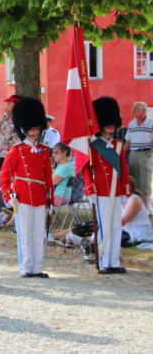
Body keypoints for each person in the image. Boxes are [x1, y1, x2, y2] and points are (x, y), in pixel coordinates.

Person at [0, 97, 53, 278]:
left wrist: (50, 200)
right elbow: (5, 175)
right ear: (24, 129)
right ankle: (25, 266)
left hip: (39, 196)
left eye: (37, 128)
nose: (35, 132)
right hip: (22, 195)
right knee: (25, 233)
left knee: (38, 233)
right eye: (32, 129)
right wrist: (8, 195)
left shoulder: (45, 151)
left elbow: (47, 178)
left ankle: (36, 266)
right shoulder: (17, 150)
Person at [82, 96, 131, 275]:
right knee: (104, 225)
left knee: (116, 225)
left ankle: (114, 260)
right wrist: (90, 187)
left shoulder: (118, 144)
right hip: (101, 191)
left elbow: (123, 170)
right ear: (101, 125)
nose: (111, 129)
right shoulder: (93, 146)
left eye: (112, 126)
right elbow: (85, 168)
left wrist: (125, 188)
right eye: (108, 126)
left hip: (116, 190)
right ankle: (103, 260)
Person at [125, 102, 152, 211]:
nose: (132, 111)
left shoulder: (151, 123)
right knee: (134, 182)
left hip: (145, 154)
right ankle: (137, 209)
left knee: (145, 181)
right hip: (133, 154)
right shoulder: (132, 124)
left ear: (143, 110)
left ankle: (145, 210)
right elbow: (128, 142)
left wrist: (150, 153)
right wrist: (121, 154)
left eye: (135, 109)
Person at [121, 176, 153, 243]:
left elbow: (123, 221)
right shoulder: (120, 199)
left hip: (137, 230)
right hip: (126, 229)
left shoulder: (135, 200)